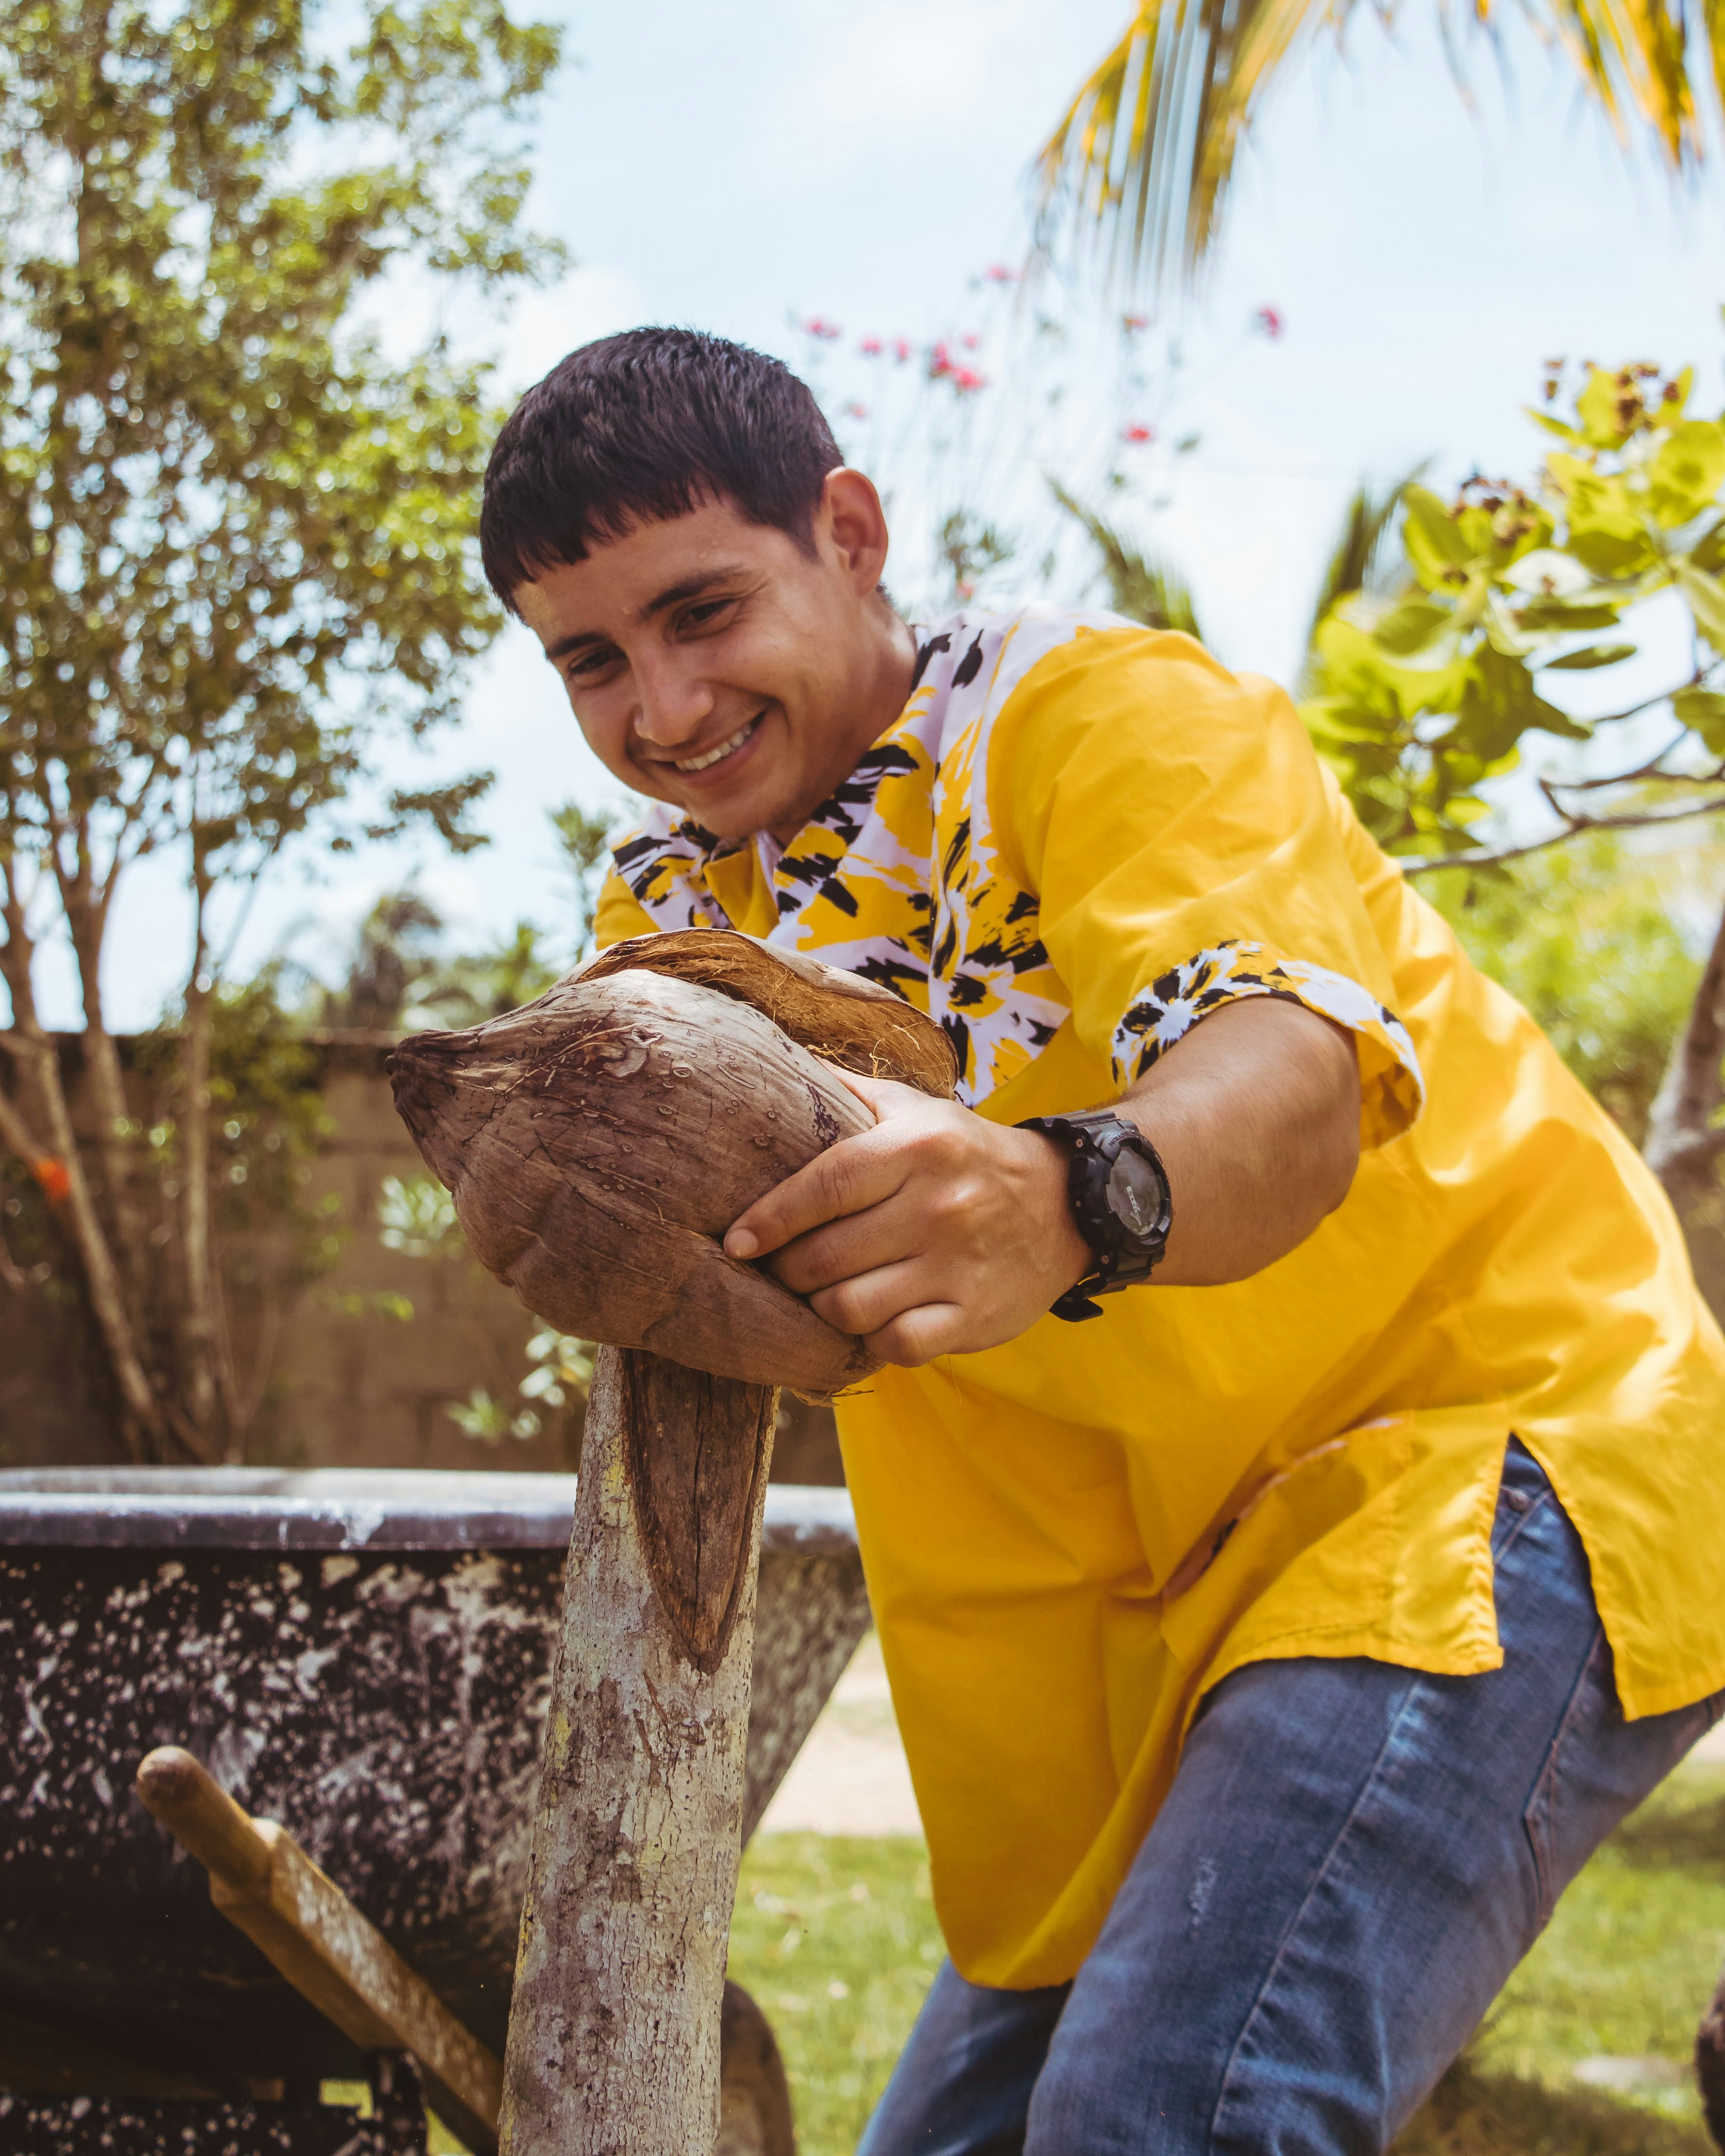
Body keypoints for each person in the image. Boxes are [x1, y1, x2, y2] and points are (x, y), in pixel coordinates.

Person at [478, 326, 1725, 2154]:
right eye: (591, 660)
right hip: (1146, 1645)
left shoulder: (1104, 716)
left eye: (702, 612)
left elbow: (1287, 1074)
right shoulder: (674, 914)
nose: (657, 709)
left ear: (848, 528)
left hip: (1482, 1470)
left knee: (1165, 2122)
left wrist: (1075, 1193)